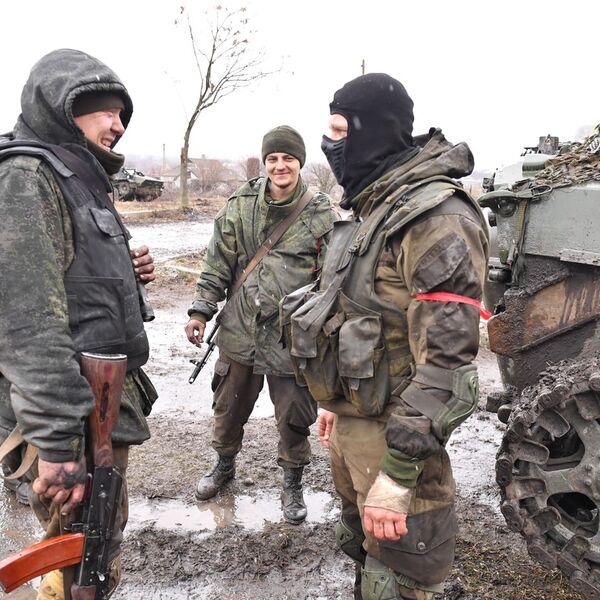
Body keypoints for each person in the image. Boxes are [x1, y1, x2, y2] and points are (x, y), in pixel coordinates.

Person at [283, 74, 489, 599]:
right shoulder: (374, 207)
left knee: (397, 580)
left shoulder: (434, 217)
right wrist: (338, 402)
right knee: (365, 562)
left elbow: (446, 367)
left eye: (340, 131)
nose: (330, 144)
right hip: (356, 427)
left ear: (374, 129)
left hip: (399, 444)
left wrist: (397, 476)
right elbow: (354, 315)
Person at [0, 49, 158, 600]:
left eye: (122, 114)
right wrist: (57, 445)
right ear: (64, 108)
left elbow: (70, 283)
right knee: (78, 565)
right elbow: (26, 325)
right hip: (70, 423)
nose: (118, 125)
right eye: (106, 111)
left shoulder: (74, 175)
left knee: (94, 556)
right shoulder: (26, 177)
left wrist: (125, 274)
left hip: (97, 414)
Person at [185, 125, 334, 524]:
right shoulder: (241, 204)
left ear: (300, 162)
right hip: (240, 329)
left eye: (288, 158)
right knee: (228, 407)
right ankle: (223, 466)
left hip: (291, 336)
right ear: (265, 162)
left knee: (294, 415)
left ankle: (292, 483)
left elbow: (332, 278)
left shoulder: (320, 212)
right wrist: (200, 311)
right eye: (273, 159)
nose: (280, 166)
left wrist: (324, 329)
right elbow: (217, 261)